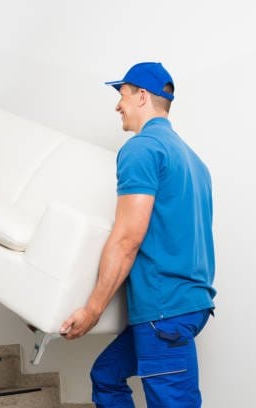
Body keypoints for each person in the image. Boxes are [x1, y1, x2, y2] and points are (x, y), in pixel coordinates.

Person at [60, 62, 216, 407]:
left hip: (165, 311)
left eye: (123, 95)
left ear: (142, 96)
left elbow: (127, 238)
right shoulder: (193, 161)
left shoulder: (141, 149)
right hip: (189, 303)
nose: (118, 105)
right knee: (107, 375)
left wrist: (92, 310)